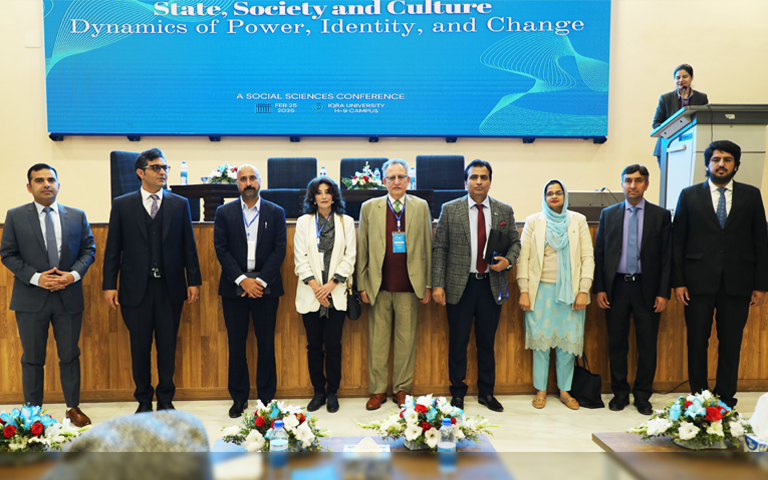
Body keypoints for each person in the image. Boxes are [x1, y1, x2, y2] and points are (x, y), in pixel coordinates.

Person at [103, 148, 201, 414]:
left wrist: (193, 280)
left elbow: (188, 247)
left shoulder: (179, 204)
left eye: (165, 168)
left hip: (170, 287)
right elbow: (113, 248)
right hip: (136, 289)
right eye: (157, 168)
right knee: (140, 347)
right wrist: (109, 285)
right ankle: (144, 400)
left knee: (168, 345)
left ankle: (166, 398)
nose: (163, 172)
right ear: (140, 172)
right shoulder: (122, 204)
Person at [672, 140, 768, 408]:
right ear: (707, 164)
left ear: (736, 165)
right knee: (697, 341)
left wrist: (761, 285)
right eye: (716, 159)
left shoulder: (751, 195)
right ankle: (699, 396)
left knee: (731, 342)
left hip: (738, 283)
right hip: (697, 282)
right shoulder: (689, 195)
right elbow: (678, 242)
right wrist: (678, 282)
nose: (721, 164)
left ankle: (726, 397)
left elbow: (761, 241)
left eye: (727, 159)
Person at [0, 164, 95, 427]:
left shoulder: (76, 216)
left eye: (51, 180)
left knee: (70, 356)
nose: (46, 184)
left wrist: (72, 275)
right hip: (31, 298)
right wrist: (37, 277)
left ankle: (73, 408)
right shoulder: (16, 216)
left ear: (59, 185)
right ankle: (33, 414)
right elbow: (7, 253)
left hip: (68, 296)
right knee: (32, 359)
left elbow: (89, 249)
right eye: (39, 180)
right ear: (29, 187)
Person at [432, 159, 520, 412]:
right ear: (466, 181)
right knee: (458, 343)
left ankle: (486, 393)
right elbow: (440, 249)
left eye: (483, 177)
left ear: (490, 181)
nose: (478, 181)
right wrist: (438, 284)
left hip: (491, 286)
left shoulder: (504, 210)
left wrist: (508, 262)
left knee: (486, 343)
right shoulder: (450, 209)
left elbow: (515, 243)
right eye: (473, 177)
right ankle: (457, 393)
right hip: (460, 286)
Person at [594, 165, 672, 415]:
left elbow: (666, 258)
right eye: (628, 181)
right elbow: (600, 255)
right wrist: (600, 288)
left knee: (647, 345)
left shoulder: (660, 216)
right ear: (621, 184)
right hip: (616, 287)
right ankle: (619, 393)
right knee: (617, 343)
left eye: (638, 181)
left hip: (647, 289)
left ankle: (642, 395)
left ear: (646, 185)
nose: (633, 185)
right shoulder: (609, 214)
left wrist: (663, 292)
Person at [357, 158, 432, 411]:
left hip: (410, 287)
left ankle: (402, 389)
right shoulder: (370, 207)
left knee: (406, 342)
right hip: (379, 286)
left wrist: (429, 284)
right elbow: (362, 249)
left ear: (408, 180)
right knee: (377, 343)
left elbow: (427, 247)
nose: (397, 182)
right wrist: (361, 285)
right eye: (392, 178)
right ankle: (377, 391)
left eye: (401, 177)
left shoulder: (420, 207)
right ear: (384, 181)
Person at [214, 164, 286, 418]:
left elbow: (280, 250)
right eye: (243, 179)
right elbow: (221, 249)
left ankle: (267, 400)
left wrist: (260, 282)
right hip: (235, 290)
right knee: (237, 345)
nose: (248, 182)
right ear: (237, 184)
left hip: (266, 289)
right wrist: (243, 280)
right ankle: (239, 398)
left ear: (259, 181)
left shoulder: (275, 212)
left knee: (266, 345)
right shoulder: (224, 212)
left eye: (252, 178)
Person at [516, 180, 593, 411]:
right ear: (544, 197)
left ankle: (564, 391)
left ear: (565, 195)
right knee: (541, 343)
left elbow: (587, 258)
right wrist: (524, 291)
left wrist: (583, 290)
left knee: (567, 345)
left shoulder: (577, 220)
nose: (554, 196)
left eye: (558, 193)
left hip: (570, 293)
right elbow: (524, 258)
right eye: (549, 193)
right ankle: (540, 390)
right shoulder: (533, 221)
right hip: (540, 292)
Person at [294, 177, 356, 413]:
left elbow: (350, 257)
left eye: (327, 192)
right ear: (313, 197)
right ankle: (318, 391)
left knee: (333, 346)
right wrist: (315, 287)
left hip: (336, 292)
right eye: (318, 193)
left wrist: (330, 285)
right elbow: (299, 259)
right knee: (313, 346)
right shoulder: (304, 222)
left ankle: (332, 393)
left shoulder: (345, 222)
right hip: (311, 294)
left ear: (334, 196)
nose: (323, 196)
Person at [652, 64, 708, 162]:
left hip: (692, 146)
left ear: (692, 77)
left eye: (685, 77)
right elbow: (656, 124)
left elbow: (704, 121)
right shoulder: (666, 99)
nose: (681, 80)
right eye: (677, 78)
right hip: (668, 145)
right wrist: (670, 131)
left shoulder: (701, 97)